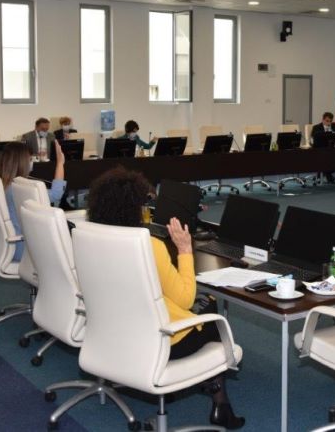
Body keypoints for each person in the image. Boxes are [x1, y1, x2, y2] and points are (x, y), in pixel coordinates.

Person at [87, 169, 245, 430]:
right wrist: (184, 250)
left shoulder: (90, 238)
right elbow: (185, 299)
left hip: (114, 334)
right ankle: (220, 402)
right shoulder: (150, 246)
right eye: (144, 205)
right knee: (210, 310)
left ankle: (188, 389)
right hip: (161, 342)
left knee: (199, 304)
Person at [0, 141, 67, 262]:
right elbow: (56, 194)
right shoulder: (21, 189)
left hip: (12, 245)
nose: (32, 162)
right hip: (26, 250)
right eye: (30, 159)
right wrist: (60, 163)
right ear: (22, 162)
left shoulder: (5, 184)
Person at [310, 112, 335, 182]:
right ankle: (328, 176)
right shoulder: (316, 127)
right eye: (327, 121)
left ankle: (323, 174)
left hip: (331, 149)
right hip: (319, 149)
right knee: (327, 157)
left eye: (330, 121)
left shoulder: (334, 126)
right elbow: (312, 140)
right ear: (323, 120)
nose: (329, 123)